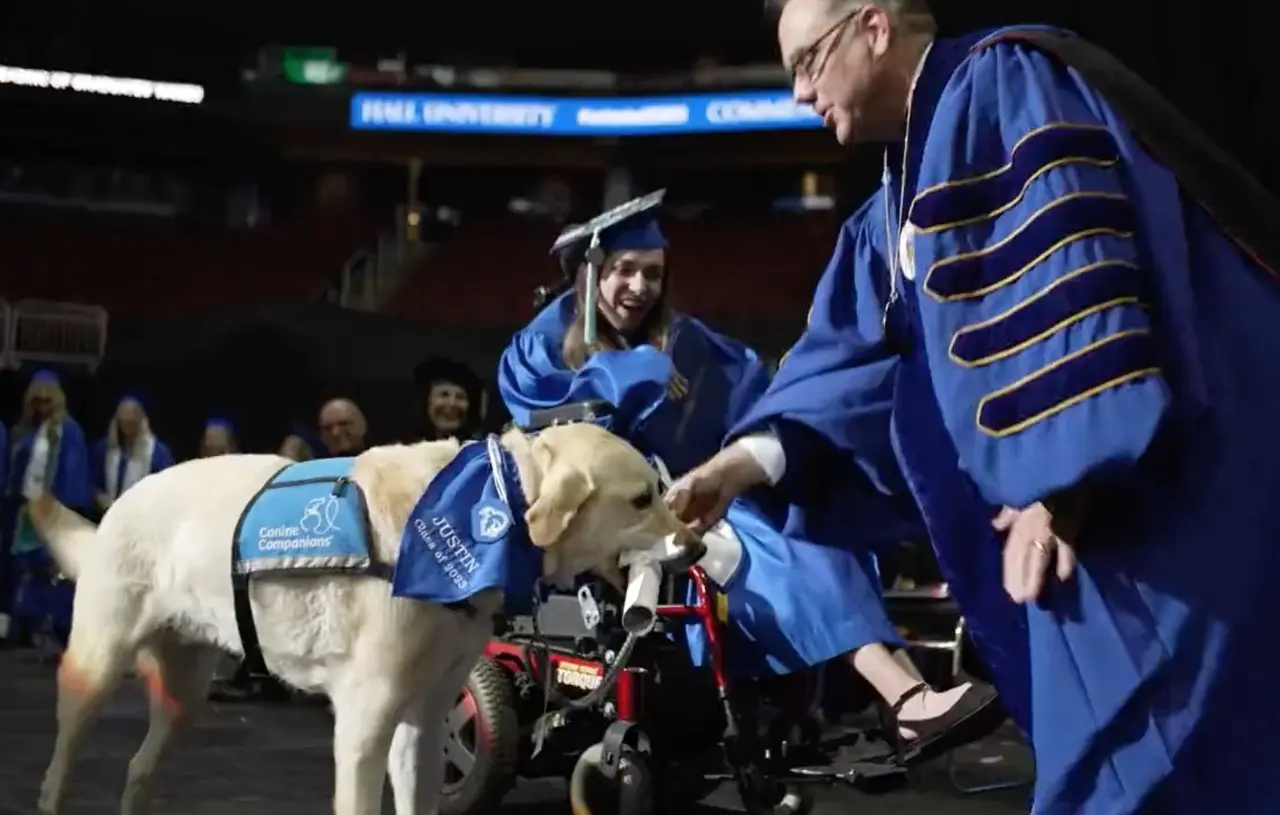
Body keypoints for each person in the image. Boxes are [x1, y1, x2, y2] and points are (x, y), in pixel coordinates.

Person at [668, 1, 1280, 811]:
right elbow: (854, 359)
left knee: (1155, 769)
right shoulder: (898, 196)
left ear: (874, 27)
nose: (798, 94)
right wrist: (741, 464)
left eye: (807, 62)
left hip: (1147, 521)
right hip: (1072, 537)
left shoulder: (1000, 84)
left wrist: (1059, 478)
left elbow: (1071, 271)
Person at [499, 196, 998, 760]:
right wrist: (634, 378)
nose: (639, 287)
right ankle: (904, 696)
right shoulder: (541, 345)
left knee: (808, 519)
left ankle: (895, 698)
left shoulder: (685, 340)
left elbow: (748, 395)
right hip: (617, 524)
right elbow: (553, 432)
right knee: (774, 543)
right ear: (590, 274)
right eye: (623, 271)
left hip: (699, 500)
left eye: (653, 274)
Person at [3, 369, 91, 652]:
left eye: (46, 398)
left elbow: (73, 475)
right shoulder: (27, 430)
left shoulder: (68, 430)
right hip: (27, 511)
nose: (42, 403)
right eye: (37, 399)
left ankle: (56, 629)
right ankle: (26, 627)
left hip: (52, 509)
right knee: (28, 568)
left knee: (53, 570)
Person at [91, 394, 175, 517]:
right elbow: (92, 483)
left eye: (132, 422)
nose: (127, 427)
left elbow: (165, 490)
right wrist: (100, 498)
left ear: (141, 420)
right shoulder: (104, 448)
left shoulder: (157, 452)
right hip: (107, 516)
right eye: (123, 421)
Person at [414, 357, 484, 441]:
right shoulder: (406, 450)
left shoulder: (480, 451)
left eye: (460, 397)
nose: (452, 403)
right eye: (444, 394)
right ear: (427, 402)